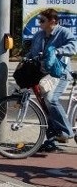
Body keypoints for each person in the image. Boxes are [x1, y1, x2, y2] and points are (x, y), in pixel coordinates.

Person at [26, 8, 77, 151]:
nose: (39, 23)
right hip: (44, 74)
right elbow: (33, 52)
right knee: (45, 105)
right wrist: (26, 58)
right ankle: (52, 139)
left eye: (42, 20)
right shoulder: (39, 35)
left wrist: (56, 50)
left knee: (51, 99)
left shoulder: (63, 33)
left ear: (52, 21)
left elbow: (73, 47)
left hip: (60, 73)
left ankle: (67, 132)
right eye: (39, 20)